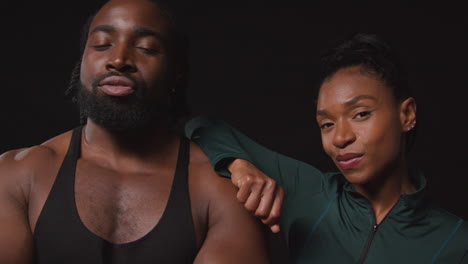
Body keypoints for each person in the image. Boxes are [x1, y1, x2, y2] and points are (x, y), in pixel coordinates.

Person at [0, 0, 270, 263]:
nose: (118, 59)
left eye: (146, 48)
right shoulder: (18, 175)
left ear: (177, 73)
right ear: (81, 63)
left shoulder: (221, 190)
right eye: (102, 44)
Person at [185, 33, 468, 263]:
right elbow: (200, 127)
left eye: (360, 114)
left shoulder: (456, 242)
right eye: (327, 124)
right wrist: (240, 166)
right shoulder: (308, 194)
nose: (340, 138)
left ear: (406, 114)